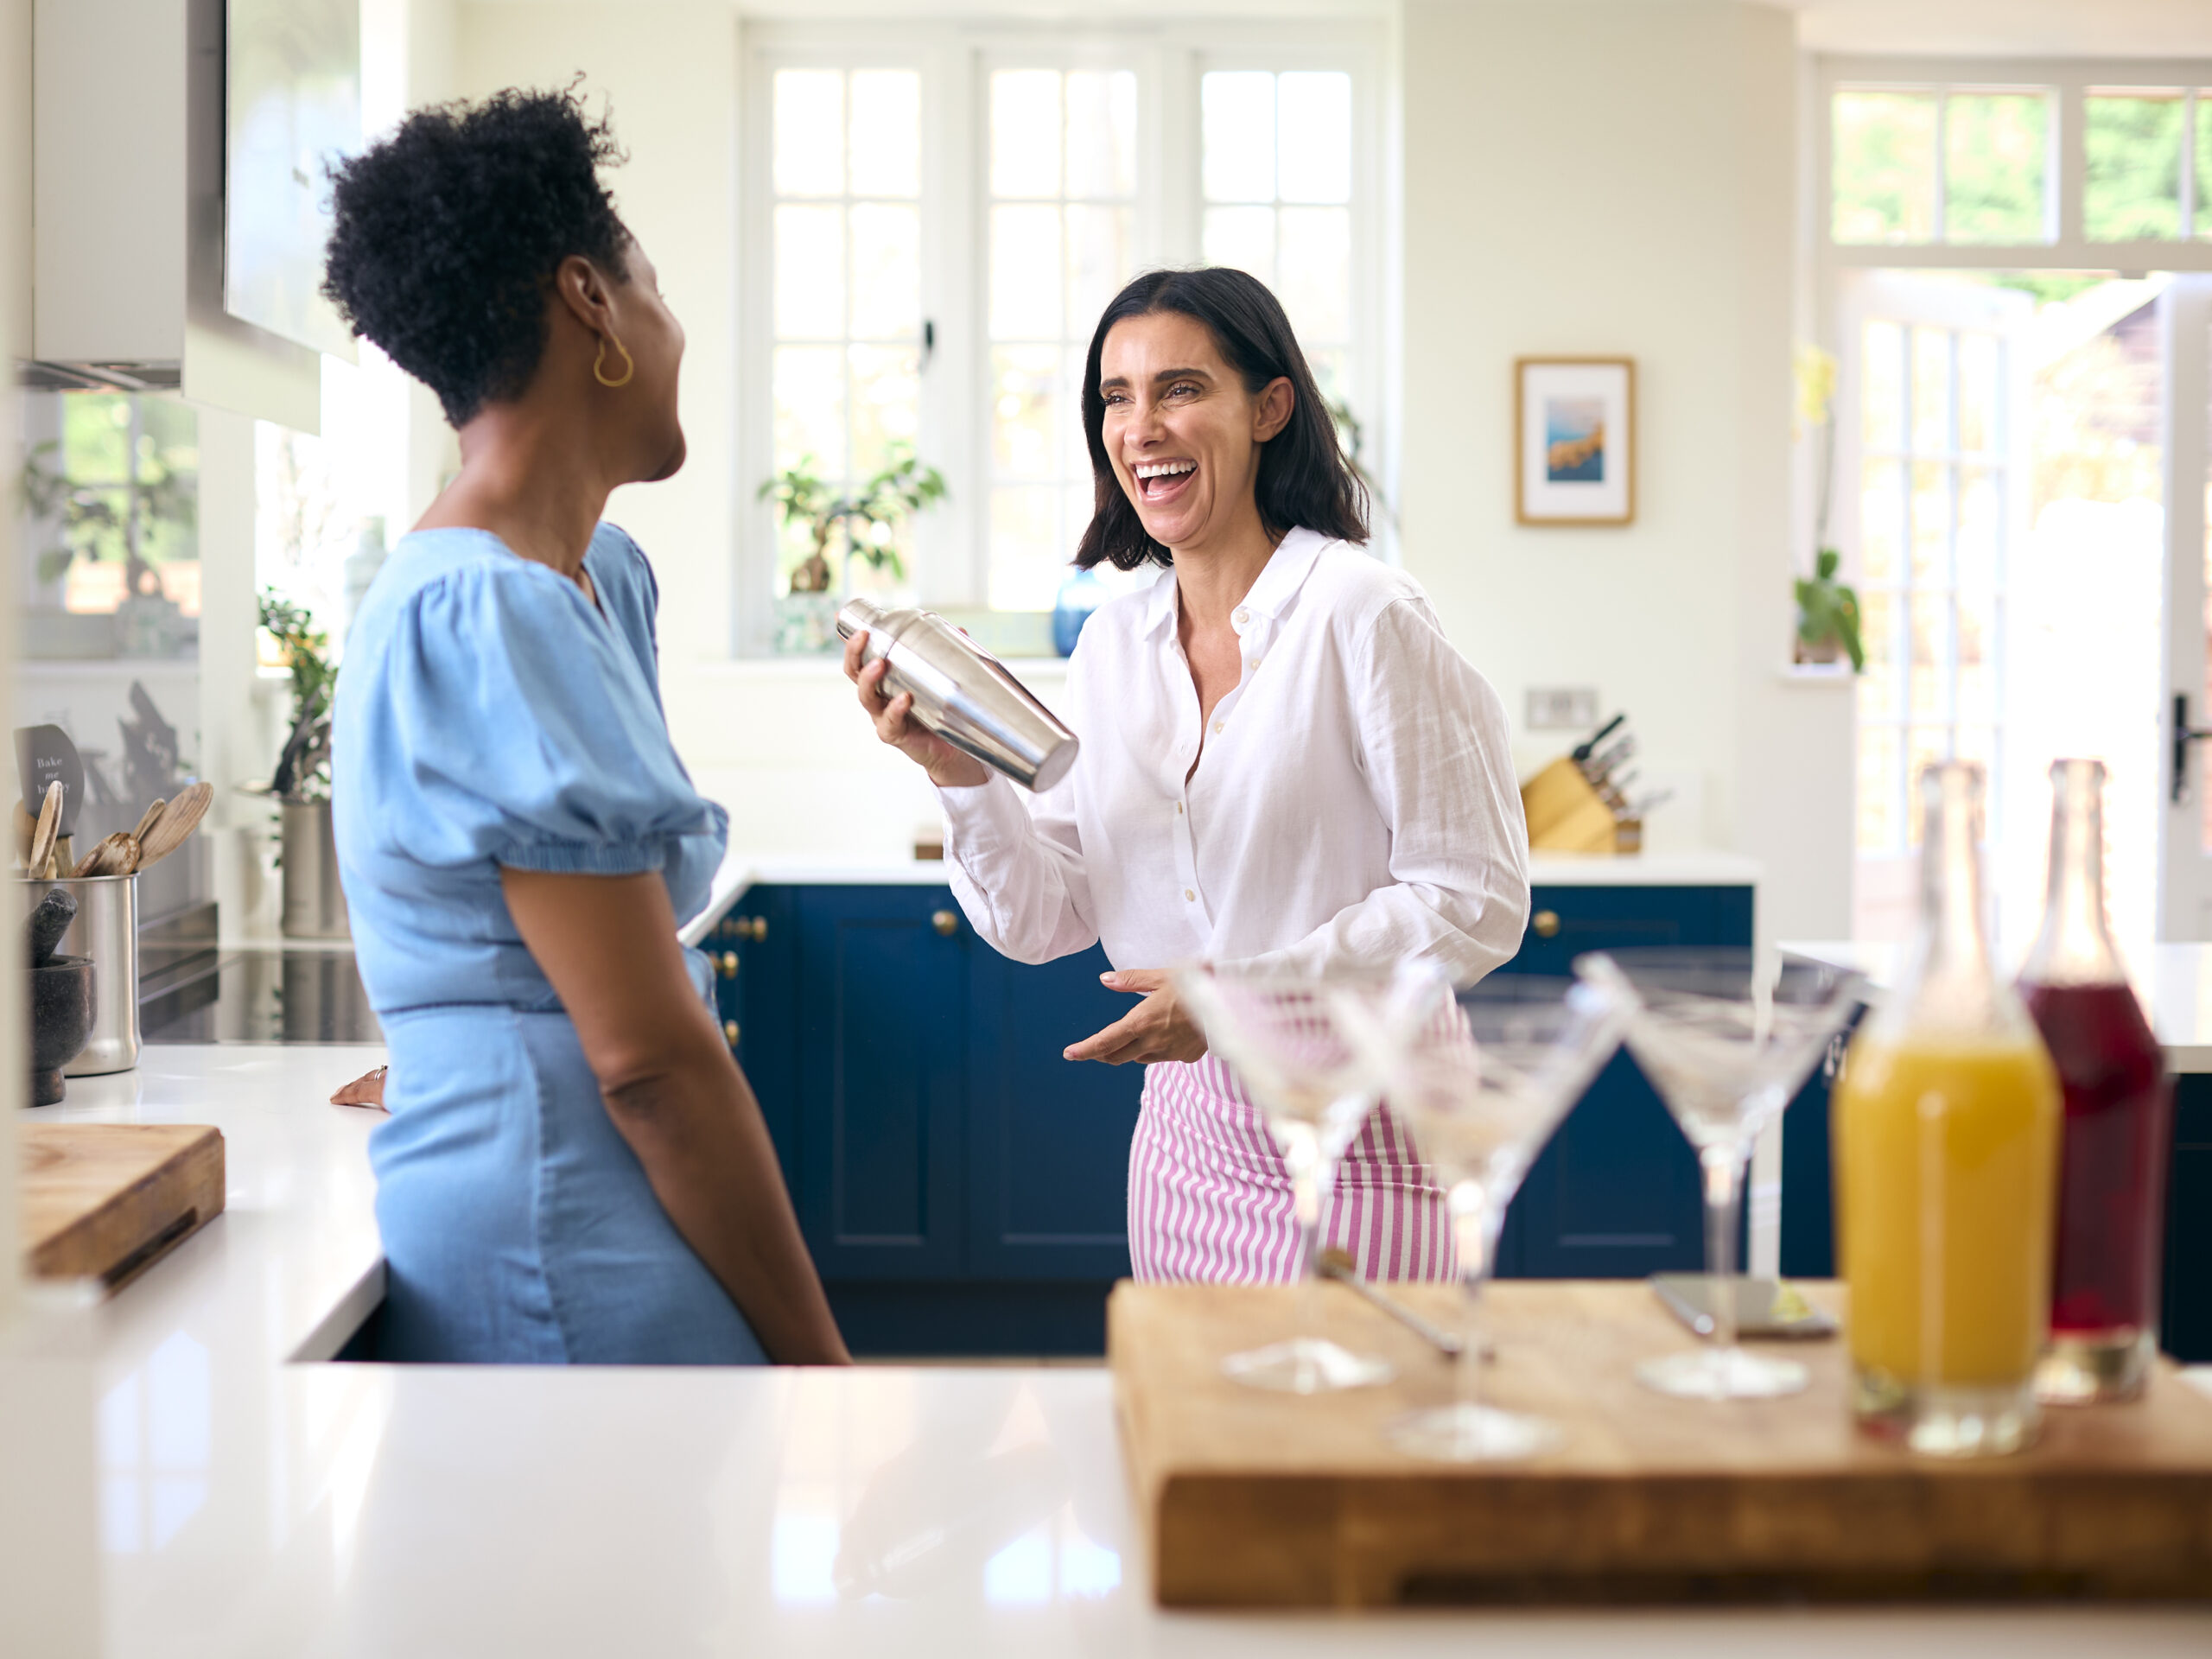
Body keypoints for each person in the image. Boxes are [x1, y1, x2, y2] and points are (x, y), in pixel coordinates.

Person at [845, 268, 1529, 1284]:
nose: (1141, 427)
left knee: (1348, 1438)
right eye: (1116, 398)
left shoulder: (1362, 612)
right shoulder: (1113, 643)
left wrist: (1233, 997)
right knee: (1200, 1436)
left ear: (1269, 407)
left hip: (1373, 1143)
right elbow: (1045, 919)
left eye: (1179, 389)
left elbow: (1474, 900)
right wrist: (961, 776)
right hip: (1188, 1145)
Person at [325, 89, 846, 1364]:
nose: (676, 329)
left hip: (614, 1206)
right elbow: (648, 1065)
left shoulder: (593, 579)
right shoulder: (485, 614)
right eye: (653, 286)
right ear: (592, 303)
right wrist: (822, 1361)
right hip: (560, 1238)